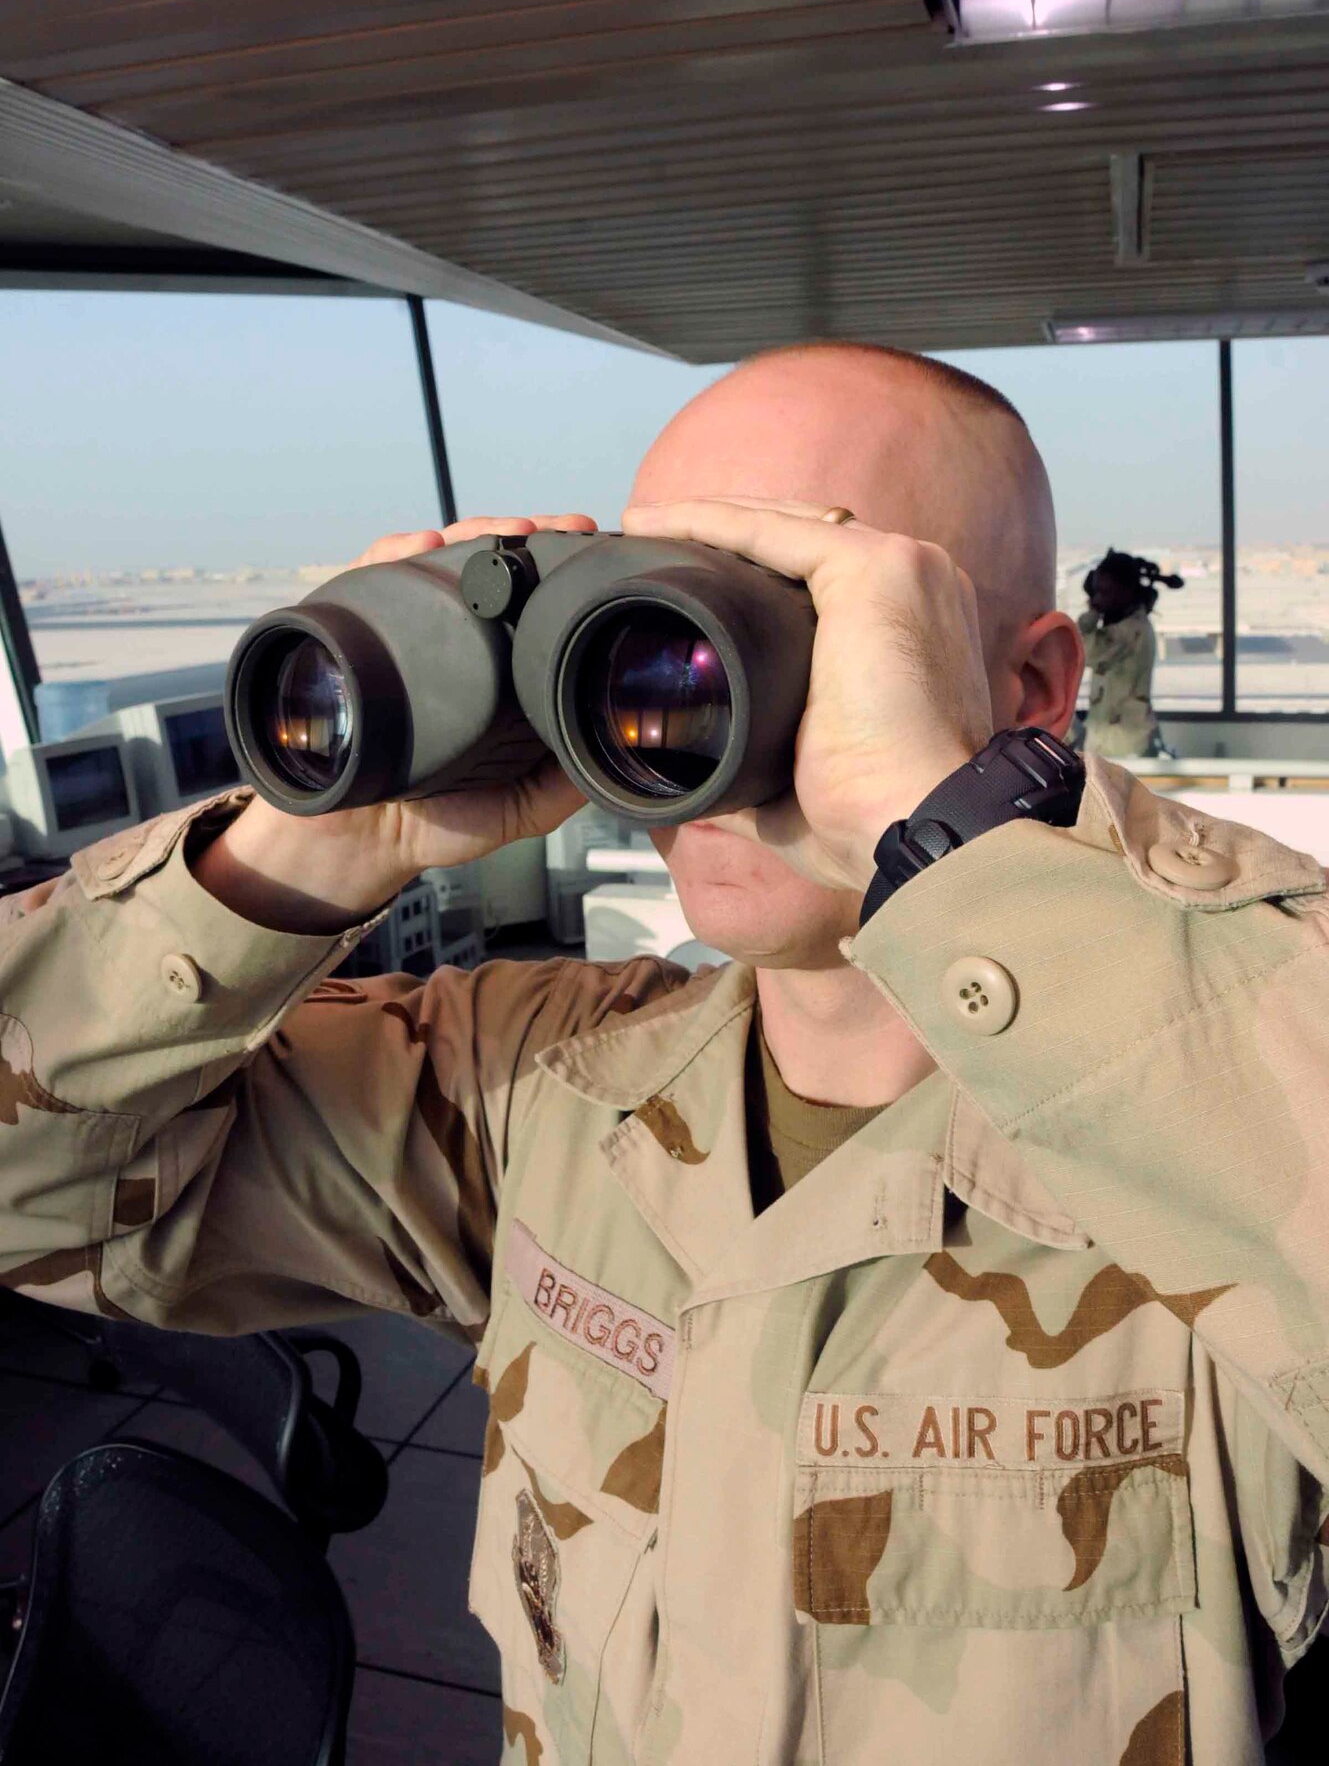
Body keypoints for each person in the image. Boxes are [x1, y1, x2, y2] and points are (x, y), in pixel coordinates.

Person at [1, 343, 1327, 1766]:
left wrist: (942, 827)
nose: (686, 705)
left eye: (789, 621)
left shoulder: (1198, 1127)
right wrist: (295, 855)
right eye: (643, 628)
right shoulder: (544, 1092)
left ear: (1031, 683)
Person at [1078, 547, 1184, 758]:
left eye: (1105, 592)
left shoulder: (1130, 630)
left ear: (1126, 591)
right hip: (1108, 736)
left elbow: (1081, 652)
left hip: (1124, 742)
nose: (1100, 598)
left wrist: (1093, 611)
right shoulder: (1122, 627)